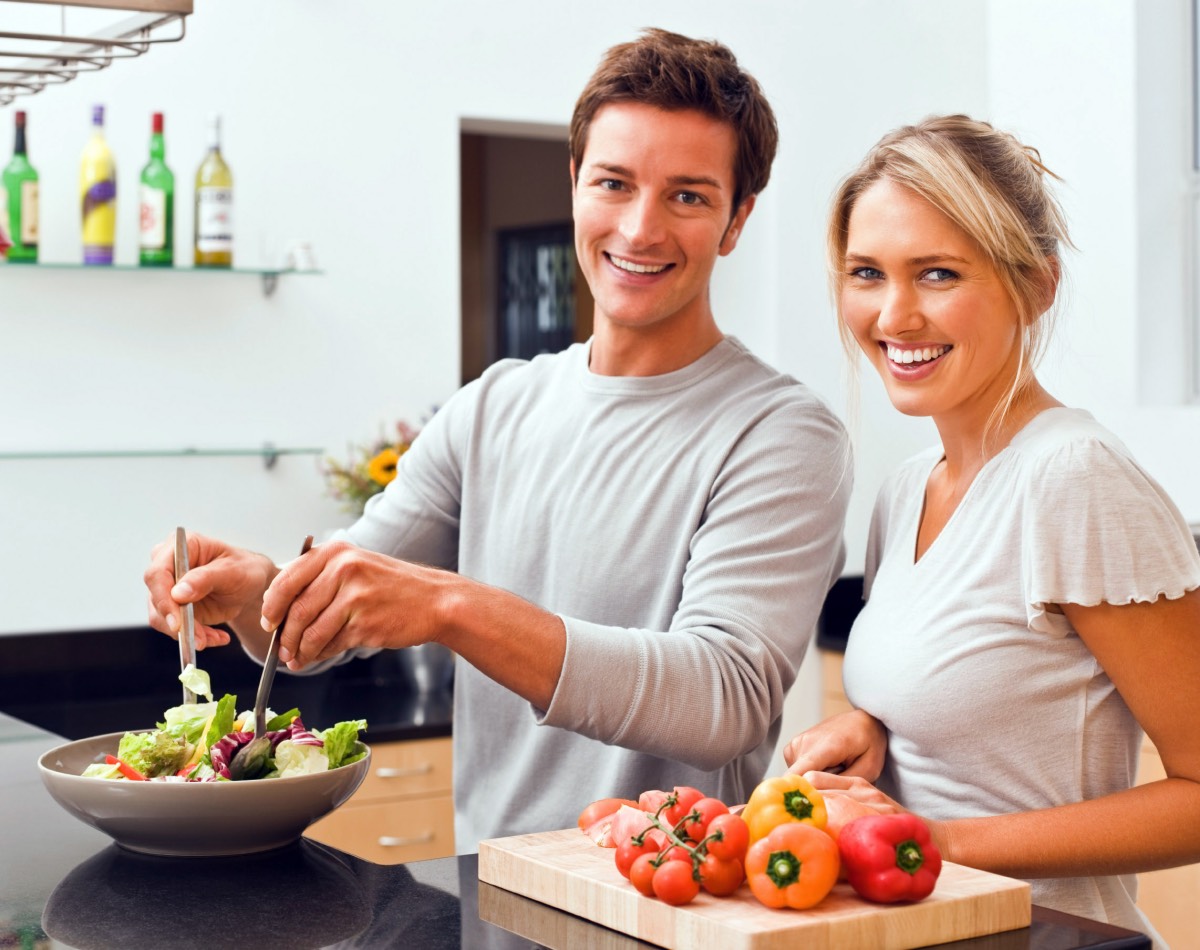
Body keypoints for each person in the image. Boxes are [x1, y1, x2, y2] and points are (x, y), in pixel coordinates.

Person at [145, 28, 851, 852]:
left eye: (688, 196)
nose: (640, 227)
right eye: (613, 183)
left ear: (736, 221)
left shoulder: (783, 433)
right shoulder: (493, 406)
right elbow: (329, 625)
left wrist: (450, 605)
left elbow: (722, 701)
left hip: (669, 908)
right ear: (576, 185)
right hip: (491, 899)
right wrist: (261, 594)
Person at [782, 114, 1200, 944]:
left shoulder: (1074, 478)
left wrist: (945, 845)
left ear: (1037, 286)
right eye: (867, 273)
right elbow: (974, 696)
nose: (894, 315)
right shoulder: (904, 492)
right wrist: (872, 728)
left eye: (937, 273)